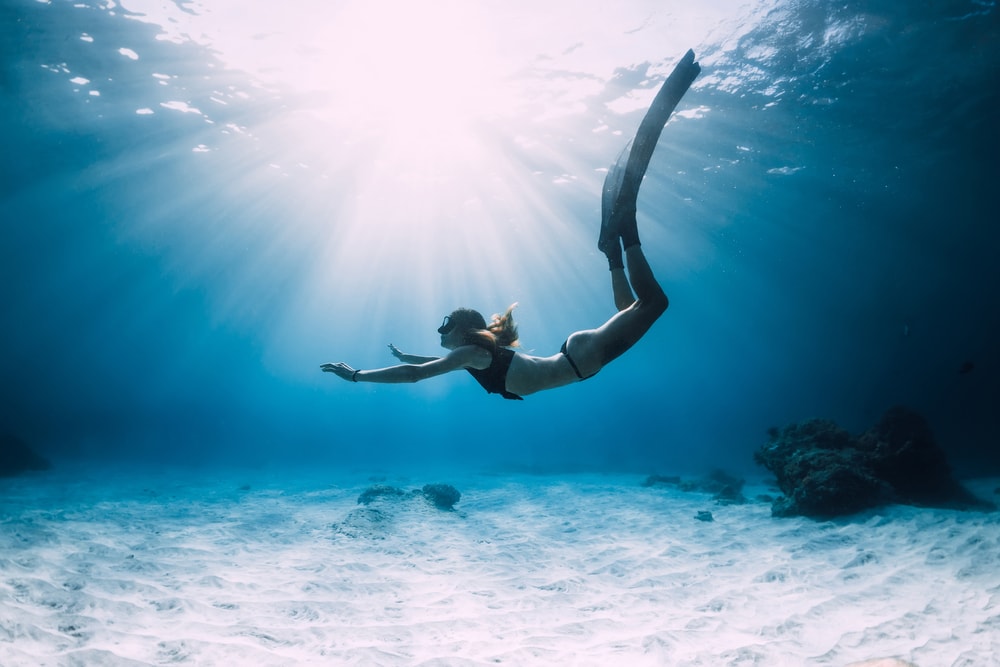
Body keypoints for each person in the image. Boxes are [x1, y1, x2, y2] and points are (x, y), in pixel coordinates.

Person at [321, 50, 701, 400]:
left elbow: (415, 375)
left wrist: (357, 375)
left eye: (445, 324)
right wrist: (405, 354)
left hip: (579, 360)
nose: (440, 330)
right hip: (576, 357)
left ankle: (625, 227)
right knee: (633, 306)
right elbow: (424, 367)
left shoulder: (472, 352)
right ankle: (612, 249)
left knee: (652, 303)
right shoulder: (473, 354)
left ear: (464, 330)